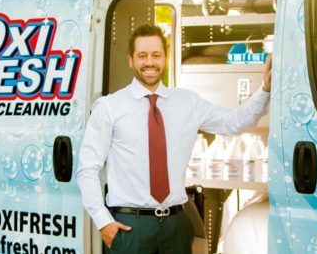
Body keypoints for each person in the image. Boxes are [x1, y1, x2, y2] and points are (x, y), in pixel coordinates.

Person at [77, 24, 271, 254]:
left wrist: (265, 90)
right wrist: (103, 222)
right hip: (131, 227)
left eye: (156, 55)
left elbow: (233, 122)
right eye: (142, 55)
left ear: (165, 59)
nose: (150, 62)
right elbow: (87, 169)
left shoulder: (187, 102)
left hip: (176, 224)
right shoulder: (110, 107)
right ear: (131, 60)